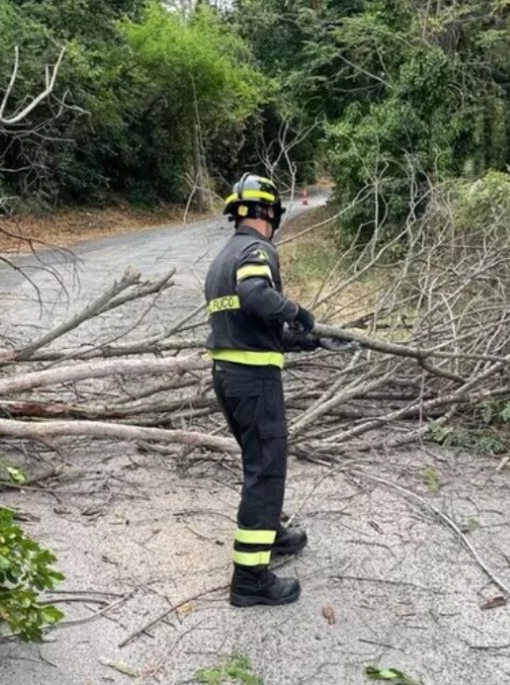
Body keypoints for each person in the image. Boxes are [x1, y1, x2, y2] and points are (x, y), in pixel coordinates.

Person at [204, 173, 323, 608]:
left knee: (259, 464)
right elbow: (255, 295)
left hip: (231, 376)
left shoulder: (223, 258)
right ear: (268, 212)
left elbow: (244, 322)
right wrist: (297, 311)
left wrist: (300, 339)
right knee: (266, 472)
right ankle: (250, 579)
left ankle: (268, 534)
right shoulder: (257, 250)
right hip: (253, 381)